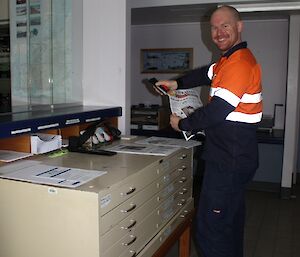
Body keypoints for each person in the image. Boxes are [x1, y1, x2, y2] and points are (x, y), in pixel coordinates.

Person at [155, 5, 262, 257]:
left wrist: (182, 123)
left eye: (225, 25)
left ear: (239, 26)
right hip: (233, 157)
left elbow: (217, 111)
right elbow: (205, 73)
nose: (218, 32)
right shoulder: (228, 62)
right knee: (229, 225)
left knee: (210, 230)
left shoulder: (239, 64)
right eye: (214, 27)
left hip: (229, 160)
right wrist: (177, 83)